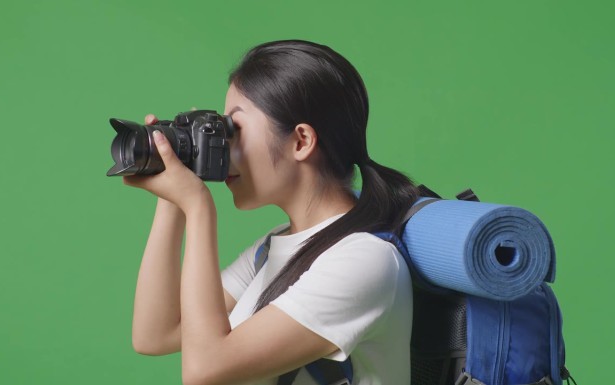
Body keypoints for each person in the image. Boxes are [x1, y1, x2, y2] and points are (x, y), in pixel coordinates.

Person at [126, 40, 419, 385]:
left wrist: (198, 207)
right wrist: (175, 189)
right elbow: (156, 333)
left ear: (301, 141)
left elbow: (204, 369)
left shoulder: (364, 260)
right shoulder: (274, 247)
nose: (225, 146)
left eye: (235, 129)